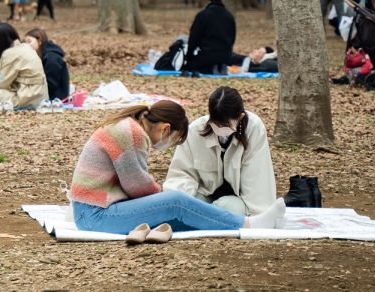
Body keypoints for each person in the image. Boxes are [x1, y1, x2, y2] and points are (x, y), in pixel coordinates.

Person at [69, 101, 286, 240]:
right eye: (173, 140)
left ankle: (234, 223)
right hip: (93, 214)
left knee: (181, 215)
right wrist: (162, 199)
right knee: (176, 202)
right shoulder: (131, 133)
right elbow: (136, 185)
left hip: (95, 210)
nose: (168, 145)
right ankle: (249, 224)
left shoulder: (128, 126)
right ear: (165, 129)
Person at [163, 87, 276, 217]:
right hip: (203, 195)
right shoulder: (195, 131)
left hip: (237, 201)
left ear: (240, 117)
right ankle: (206, 214)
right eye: (216, 123)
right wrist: (181, 202)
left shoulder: (254, 128)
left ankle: (205, 215)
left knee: (234, 210)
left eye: (226, 125)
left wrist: (256, 215)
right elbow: (181, 174)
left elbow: (257, 178)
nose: (221, 128)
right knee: (191, 205)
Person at [0, 23, 47, 110]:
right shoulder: (26, 46)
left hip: (27, 99)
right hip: (40, 95)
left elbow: (3, 84)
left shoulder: (10, 54)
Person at [183, 0, 236, 75]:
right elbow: (232, 38)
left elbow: (193, 38)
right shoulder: (229, 17)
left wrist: (189, 58)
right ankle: (220, 65)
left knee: (191, 65)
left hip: (206, 55)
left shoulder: (202, 15)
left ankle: (211, 67)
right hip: (225, 56)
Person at [29, 28, 70, 101]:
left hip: (55, 100)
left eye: (29, 41)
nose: (26, 45)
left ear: (39, 40)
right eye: (24, 42)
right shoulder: (42, 56)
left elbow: (50, 85)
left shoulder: (52, 58)